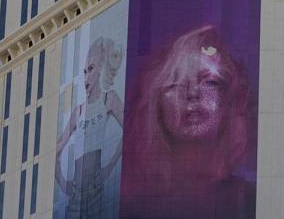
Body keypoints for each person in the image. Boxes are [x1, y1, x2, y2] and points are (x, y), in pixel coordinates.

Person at [120, 25, 256, 219]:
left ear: (230, 100)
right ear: (156, 104)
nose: (192, 93)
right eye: (176, 83)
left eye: (209, 82)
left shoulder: (249, 200)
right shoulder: (128, 202)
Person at [55, 37, 124, 219]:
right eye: (84, 71)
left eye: (91, 69)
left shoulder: (108, 99)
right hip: (76, 197)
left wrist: (109, 167)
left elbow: (130, 129)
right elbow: (57, 148)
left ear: (101, 68)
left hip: (96, 191)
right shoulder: (78, 111)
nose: (86, 77)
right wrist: (63, 184)